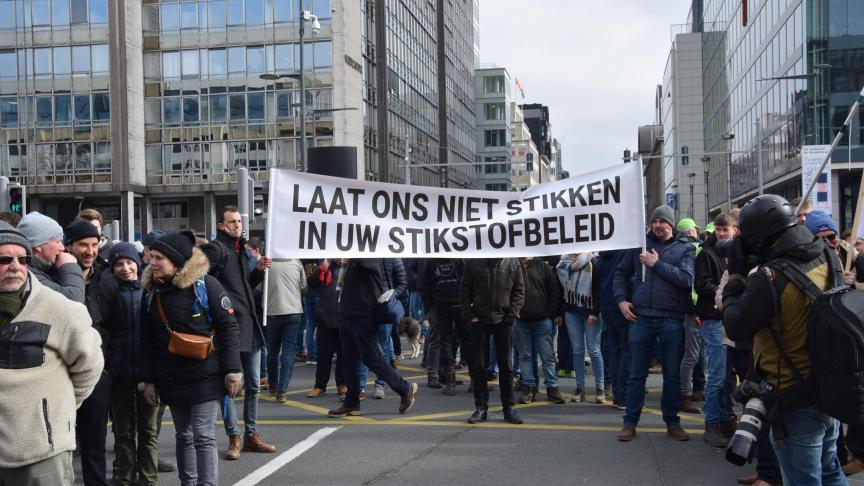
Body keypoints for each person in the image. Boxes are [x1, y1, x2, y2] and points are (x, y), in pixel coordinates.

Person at [723, 194, 847, 486]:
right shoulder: (826, 254)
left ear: (760, 237)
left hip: (793, 395)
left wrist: (737, 276)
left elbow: (736, 326)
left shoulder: (770, 277)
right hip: (830, 388)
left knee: (802, 480)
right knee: (830, 471)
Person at [0, 221, 104, 485]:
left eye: (22, 259)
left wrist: (55, 413)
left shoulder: (60, 309)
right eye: (4, 259)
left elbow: (89, 366)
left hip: (40, 453)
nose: (15, 266)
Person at [138, 232, 242, 486]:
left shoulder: (206, 286)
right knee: (183, 435)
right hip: (171, 377)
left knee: (203, 436)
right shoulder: (151, 293)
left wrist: (232, 370)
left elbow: (228, 327)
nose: (152, 263)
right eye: (151, 257)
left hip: (206, 373)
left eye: (159, 258)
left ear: (177, 261)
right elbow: (146, 340)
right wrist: (147, 380)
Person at [200, 206, 275, 459]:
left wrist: (258, 271)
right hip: (230, 328)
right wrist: (222, 309)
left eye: (239, 222)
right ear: (221, 226)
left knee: (253, 386)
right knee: (230, 387)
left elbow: (245, 286)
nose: (237, 225)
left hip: (250, 325)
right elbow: (203, 283)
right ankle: (234, 437)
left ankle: (251, 435)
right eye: (231, 222)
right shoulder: (216, 249)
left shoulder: (241, 250)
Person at [614, 206, 695, 442]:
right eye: (654, 221)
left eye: (662, 221)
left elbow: (686, 279)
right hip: (642, 317)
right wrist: (621, 300)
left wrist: (656, 264)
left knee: (671, 375)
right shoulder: (638, 245)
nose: (658, 225)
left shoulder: (685, 248)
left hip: (671, 318)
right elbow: (620, 274)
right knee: (636, 374)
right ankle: (630, 422)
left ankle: (672, 422)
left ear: (671, 224)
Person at [328, 258, 418, 417]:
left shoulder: (369, 251)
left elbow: (370, 263)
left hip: (364, 313)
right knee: (349, 361)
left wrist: (350, 257)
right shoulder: (350, 254)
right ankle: (351, 403)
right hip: (349, 312)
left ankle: (405, 388)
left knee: (371, 358)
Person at [100, 243, 159, 486]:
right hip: (120, 372)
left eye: (128, 262)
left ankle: (149, 479)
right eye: (118, 264)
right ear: (112, 269)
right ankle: (125, 478)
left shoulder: (151, 292)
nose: (125, 268)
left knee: (148, 432)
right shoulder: (109, 295)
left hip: (148, 373)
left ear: (137, 263)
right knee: (123, 432)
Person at [65, 220, 113, 486]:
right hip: (61, 375)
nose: (90, 250)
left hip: (97, 375)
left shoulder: (106, 279)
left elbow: (117, 328)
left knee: (95, 447)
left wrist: (107, 368)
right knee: (60, 447)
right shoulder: (51, 280)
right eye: (83, 244)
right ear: (68, 245)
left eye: (94, 245)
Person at [460, 258, 525, 424]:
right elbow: (464, 289)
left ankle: (509, 407)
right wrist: (470, 315)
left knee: (506, 367)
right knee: (478, 366)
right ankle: (481, 407)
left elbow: (519, 290)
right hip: (479, 320)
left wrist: (512, 315)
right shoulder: (473, 262)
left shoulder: (512, 262)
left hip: (504, 320)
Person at [694, 213, 738, 447]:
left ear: (735, 231)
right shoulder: (707, 254)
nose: (721, 233)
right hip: (714, 319)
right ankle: (712, 423)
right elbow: (702, 284)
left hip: (729, 318)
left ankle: (724, 418)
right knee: (718, 375)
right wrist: (727, 294)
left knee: (728, 376)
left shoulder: (735, 254)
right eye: (718, 229)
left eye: (725, 229)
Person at [515, 257, 564, 405]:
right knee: (525, 356)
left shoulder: (543, 266)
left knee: (547, 356)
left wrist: (550, 314)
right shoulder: (513, 266)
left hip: (542, 319)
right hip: (521, 320)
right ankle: (529, 386)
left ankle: (552, 387)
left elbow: (554, 291)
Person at [557, 253, 605, 403]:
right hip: (571, 311)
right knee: (577, 350)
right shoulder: (563, 265)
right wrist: (559, 312)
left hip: (589, 311)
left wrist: (595, 312)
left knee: (594, 350)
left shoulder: (591, 262)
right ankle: (580, 388)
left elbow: (598, 288)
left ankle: (600, 388)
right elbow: (561, 290)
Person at [418, 258, 467, 396]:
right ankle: (434, 375)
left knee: (453, 341)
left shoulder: (459, 257)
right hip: (439, 305)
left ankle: (446, 375)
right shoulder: (431, 259)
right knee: (438, 341)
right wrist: (430, 306)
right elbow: (423, 284)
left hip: (457, 304)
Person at [16, 212, 84, 303]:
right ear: (38, 245)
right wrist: (69, 266)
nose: (62, 248)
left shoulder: (43, 270)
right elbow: (74, 300)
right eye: (58, 241)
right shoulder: (30, 276)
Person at [265, 256, 307, 402]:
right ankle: (282, 391)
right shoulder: (296, 262)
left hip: (272, 311)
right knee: (288, 352)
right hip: (293, 311)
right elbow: (304, 287)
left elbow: (259, 288)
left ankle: (273, 386)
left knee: (272, 351)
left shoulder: (267, 263)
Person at [306, 259, 347, 398]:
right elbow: (311, 283)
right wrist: (321, 268)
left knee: (343, 355)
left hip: (344, 318)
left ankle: (342, 384)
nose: (340, 258)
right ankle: (320, 386)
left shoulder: (351, 267)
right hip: (325, 318)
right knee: (324, 355)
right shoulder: (326, 267)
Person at [595, 249, 631, 410]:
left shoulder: (602, 256)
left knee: (615, 351)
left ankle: (618, 394)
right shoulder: (624, 253)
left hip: (606, 305)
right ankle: (623, 396)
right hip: (622, 304)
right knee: (627, 350)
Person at [677, 218, 706, 414]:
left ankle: (690, 390)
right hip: (697, 307)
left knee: (690, 353)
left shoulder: (675, 249)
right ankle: (686, 394)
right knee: (693, 354)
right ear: (692, 232)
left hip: (684, 307)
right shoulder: (699, 249)